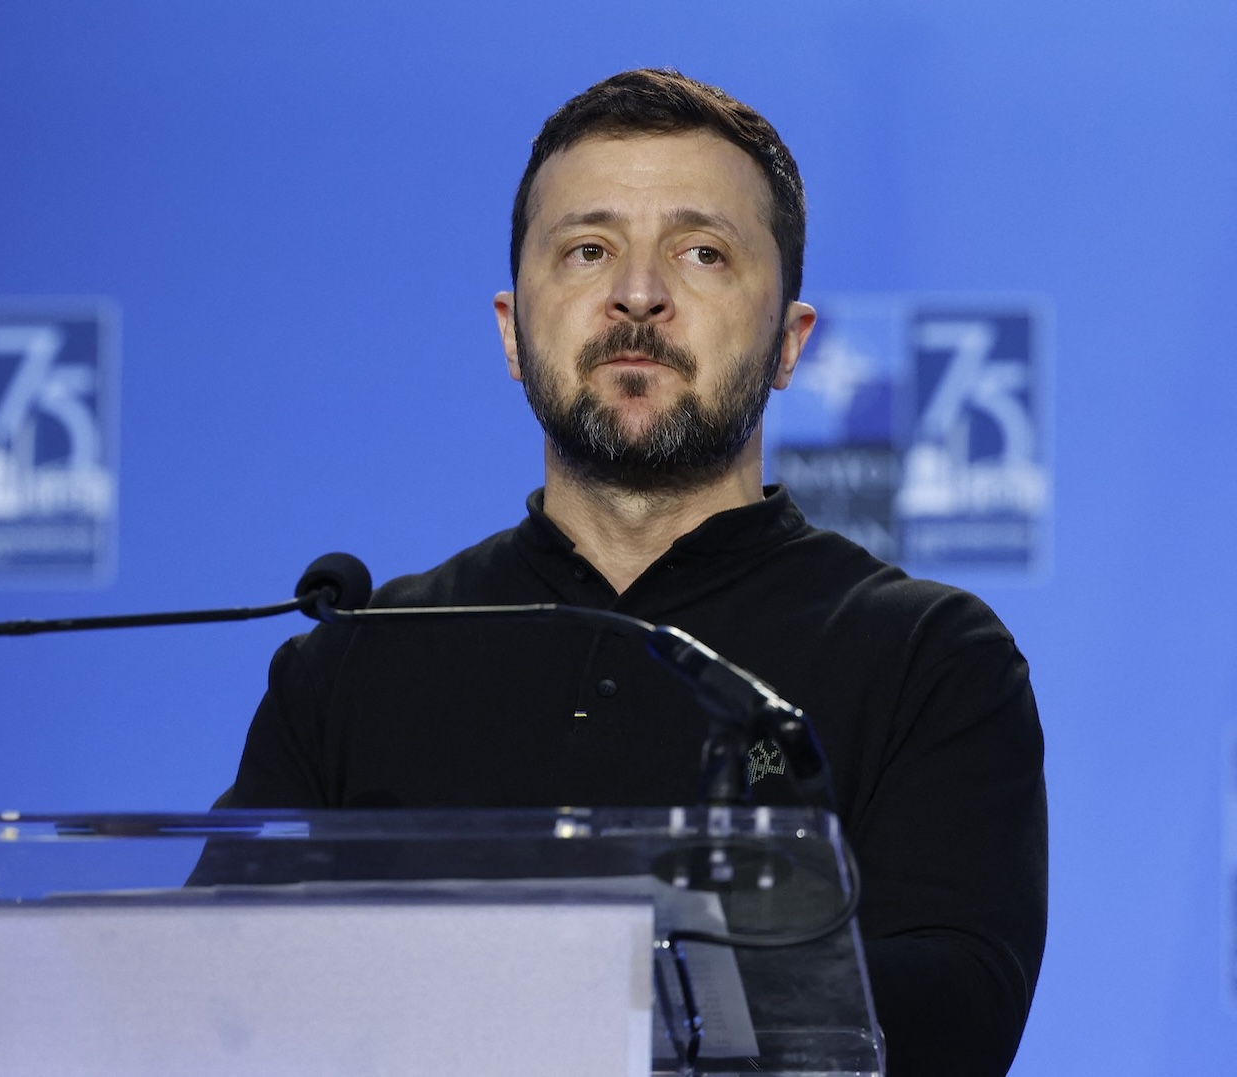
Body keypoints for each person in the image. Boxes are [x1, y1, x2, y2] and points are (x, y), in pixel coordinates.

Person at [225, 69, 1047, 1077]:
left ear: (789, 343)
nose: (638, 293)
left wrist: (572, 990)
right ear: (511, 331)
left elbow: (954, 1015)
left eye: (701, 253)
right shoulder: (353, 660)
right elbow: (215, 992)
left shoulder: (929, 655)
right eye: (587, 250)